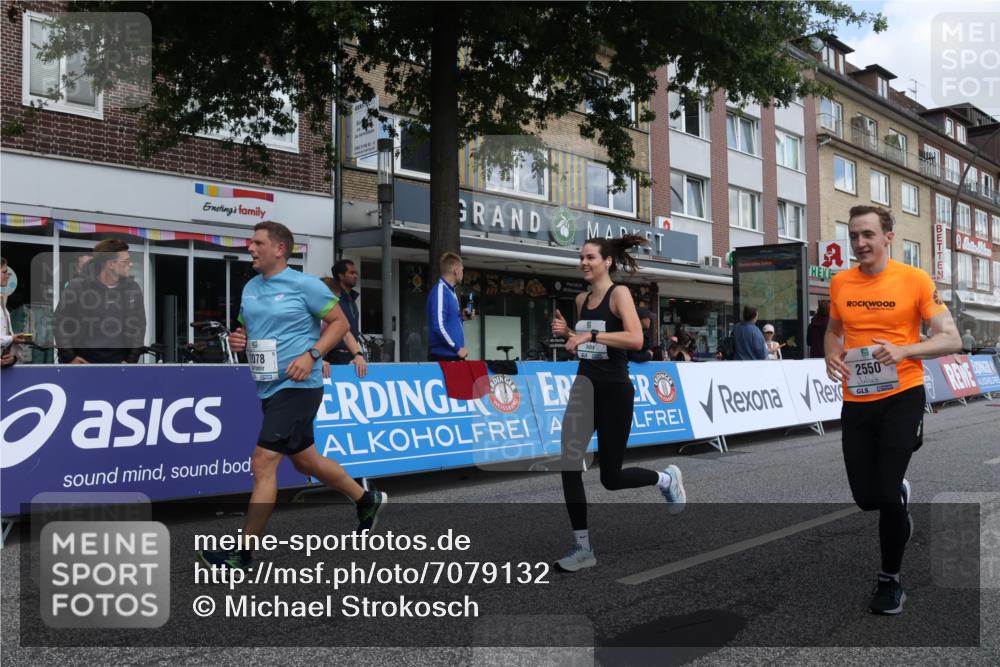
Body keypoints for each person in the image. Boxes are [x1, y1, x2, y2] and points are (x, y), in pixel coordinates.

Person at [198, 221, 385, 571]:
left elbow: (340, 323)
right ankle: (365, 499)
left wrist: (312, 355)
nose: (250, 248)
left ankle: (242, 554)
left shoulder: (305, 285)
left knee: (263, 462)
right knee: (305, 460)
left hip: (300, 386)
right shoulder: (251, 288)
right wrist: (239, 340)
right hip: (268, 385)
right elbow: (245, 330)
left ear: (280, 249)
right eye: (251, 242)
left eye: (257, 243)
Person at [825, 205, 960, 615]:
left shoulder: (915, 280)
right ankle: (896, 493)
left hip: (903, 394)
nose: (860, 243)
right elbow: (834, 331)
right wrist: (830, 354)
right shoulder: (840, 282)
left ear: (888, 237)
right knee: (868, 497)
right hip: (857, 398)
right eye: (853, 236)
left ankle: (890, 580)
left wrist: (904, 349)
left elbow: (950, 338)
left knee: (883, 495)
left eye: (868, 234)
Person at [549, 235, 686, 572]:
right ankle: (583, 549)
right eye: (580, 257)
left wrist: (588, 336)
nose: (583, 262)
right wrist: (569, 333)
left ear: (607, 261)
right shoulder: (581, 300)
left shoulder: (619, 294)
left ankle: (666, 480)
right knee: (568, 463)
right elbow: (588, 345)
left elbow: (636, 339)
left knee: (611, 478)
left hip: (614, 391)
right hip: (585, 386)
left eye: (590, 257)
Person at [54, 239, 146, 364]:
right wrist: (70, 358)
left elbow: (139, 327)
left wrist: (130, 361)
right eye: (126, 261)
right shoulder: (78, 286)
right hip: (83, 365)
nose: (131, 265)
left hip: (119, 366)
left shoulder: (132, 288)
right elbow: (60, 323)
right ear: (110, 264)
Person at [319, 264, 367, 377]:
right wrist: (315, 359)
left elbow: (345, 331)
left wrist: (358, 355)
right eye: (333, 300)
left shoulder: (347, 303)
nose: (335, 305)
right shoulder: (305, 314)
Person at [427, 252, 475, 361]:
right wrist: (457, 348)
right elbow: (439, 326)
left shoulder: (449, 291)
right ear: (455, 269)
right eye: (462, 270)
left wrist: (462, 318)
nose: (463, 273)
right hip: (445, 357)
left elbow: (447, 322)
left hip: (452, 355)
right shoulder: (440, 291)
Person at [1, 257, 30, 368]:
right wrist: (12, 338)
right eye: (4, 272)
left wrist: (12, 358)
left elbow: (5, 334)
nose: (8, 276)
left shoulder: (2, 301)